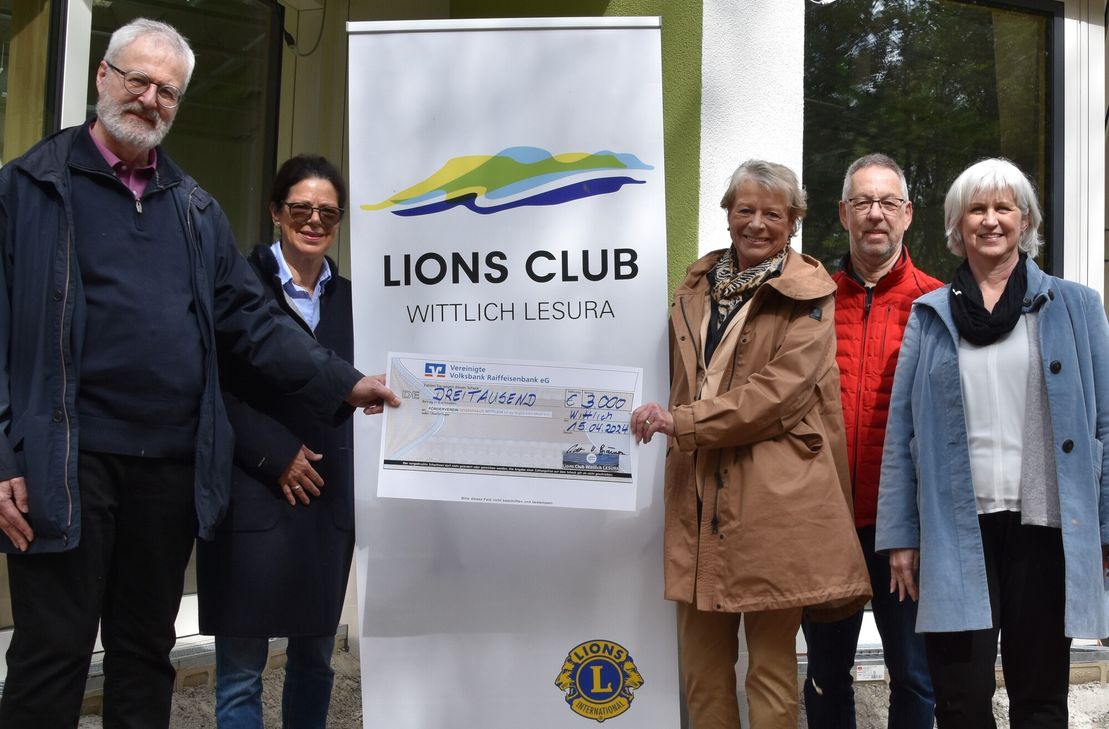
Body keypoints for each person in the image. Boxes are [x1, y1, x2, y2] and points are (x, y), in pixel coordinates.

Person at [0, 19, 397, 729]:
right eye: (138, 80)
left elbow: (249, 320)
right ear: (102, 78)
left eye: (168, 91)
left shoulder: (194, 209)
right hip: (64, 460)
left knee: (146, 650)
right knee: (52, 653)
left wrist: (342, 381)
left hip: (169, 467)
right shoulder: (27, 189)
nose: (150, 99)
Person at [632, 159, 871, 728]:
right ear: (727, 214)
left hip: (777, 509)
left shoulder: (812, 296)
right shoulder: (694, 288)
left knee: (769, 672)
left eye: (773, 213)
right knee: (701, 672)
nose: (757, 223)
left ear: (794, 222)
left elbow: (777, 396)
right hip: (697, 505)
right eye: (745, 210)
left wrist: (679, 423)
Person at [876, 157, 1109, 728]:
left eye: (1003, 207)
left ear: (1024, 220)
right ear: (957, 225)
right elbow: (900, 435)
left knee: (1041, 696)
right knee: (961, 698)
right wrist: (901, 537)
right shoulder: (929, 317)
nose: (990, 220)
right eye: (976, 208)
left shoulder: (1076, 306)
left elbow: (1105, 424)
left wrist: (1104, 527)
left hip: (1045, 532)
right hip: (957, 531)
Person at [197, 154, 356, 729]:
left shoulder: (355, 302)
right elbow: (209, 387)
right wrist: (274, 454)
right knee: (241, 673)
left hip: (326, 505)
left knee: (314, 663)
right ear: (275, 211)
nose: (314, 221)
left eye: (328, 213)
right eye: (300, 208)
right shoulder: (235, 288)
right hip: (251, 495)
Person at [802, 154, 940, 728]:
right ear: (843, 214)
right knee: (826, 672)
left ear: (907, 214)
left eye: (887, 203)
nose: (875, 214)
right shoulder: (809, 305)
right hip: (827, 519)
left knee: (914, 672)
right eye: (862, 202)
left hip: (905, 526)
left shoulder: (938, 306)